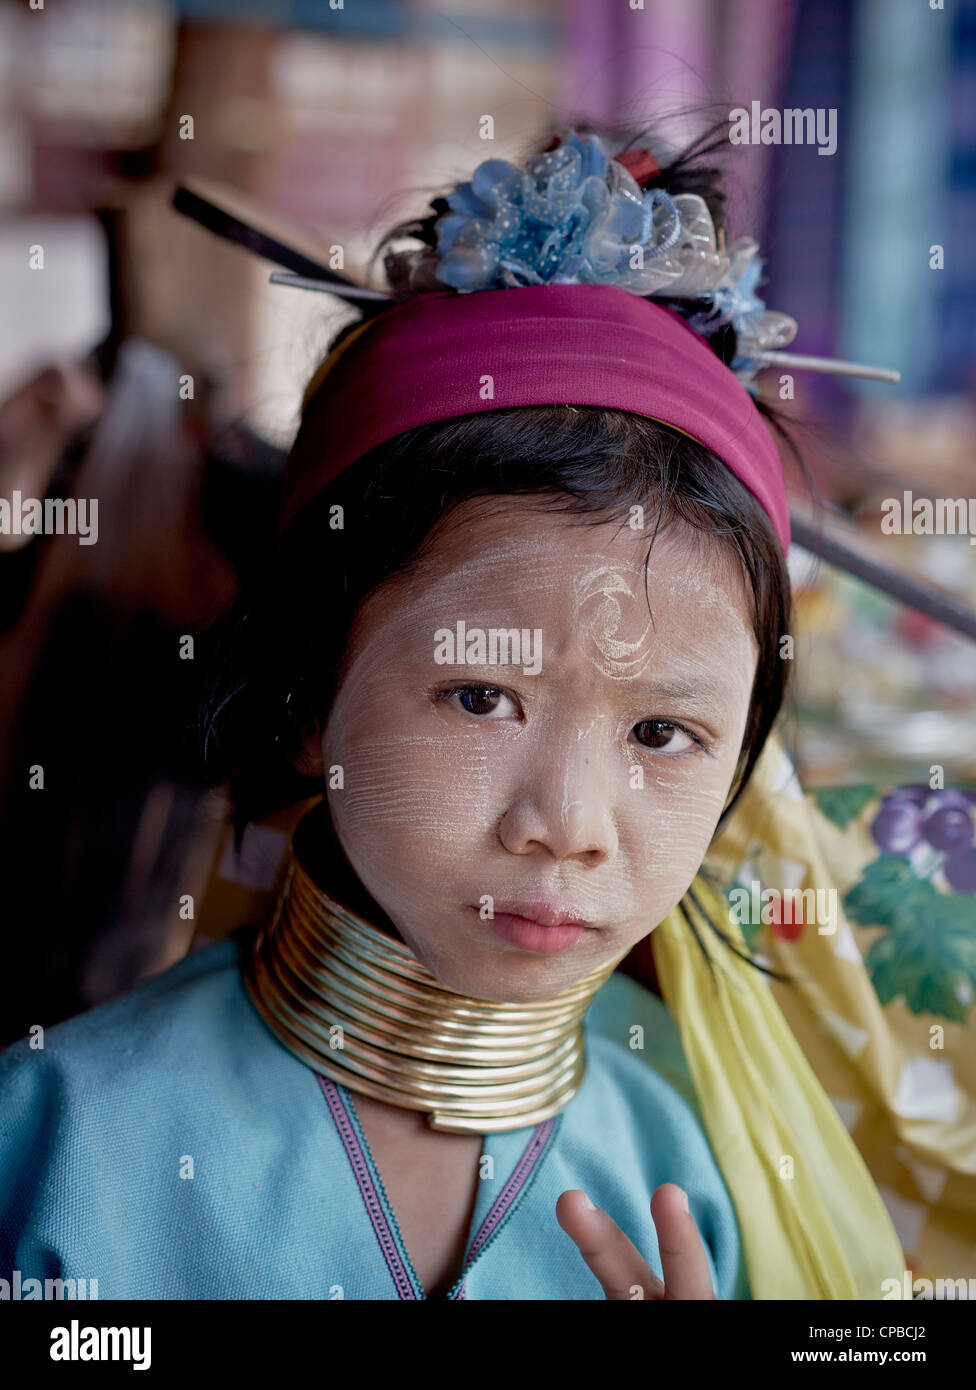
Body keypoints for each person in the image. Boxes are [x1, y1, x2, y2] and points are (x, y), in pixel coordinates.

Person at [0, 120, 908, 1301]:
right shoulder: (61, 1142)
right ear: (310, 694)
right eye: (482, 694)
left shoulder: (706, 1160)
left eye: (661, 733)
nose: (570, 824)